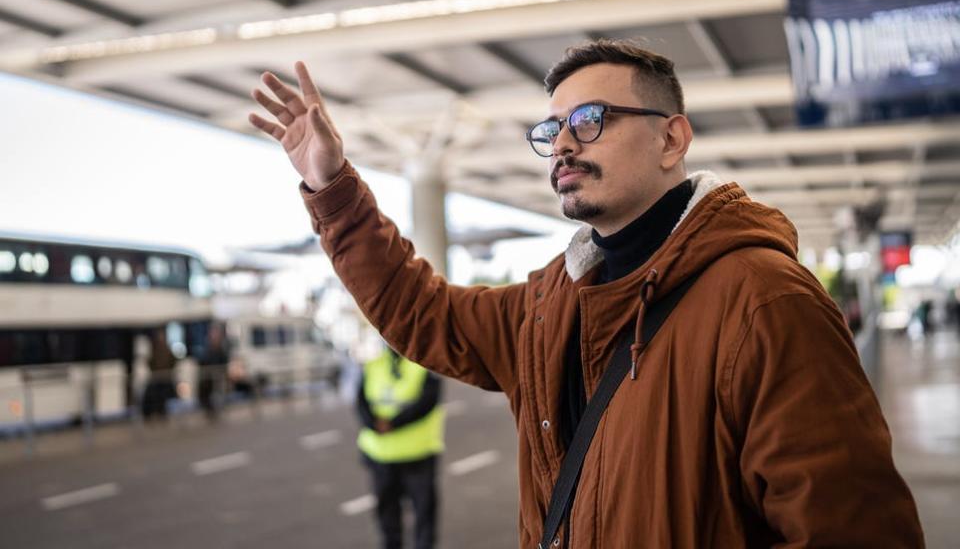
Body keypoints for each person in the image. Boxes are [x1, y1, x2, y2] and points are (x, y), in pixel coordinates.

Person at [249, 40, 924, 547]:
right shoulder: (550, 302)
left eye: (592, 118)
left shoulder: (765, 302)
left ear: (672, 136)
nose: (565, 143)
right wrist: (333, 189)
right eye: (554, 129)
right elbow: (421, 312)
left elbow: (850, 532)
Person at [356, 346, 444, 549]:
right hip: (380, 456)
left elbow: (427, 402)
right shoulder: (373, 365)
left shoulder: (425, 366)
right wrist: (374, 423)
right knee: (387, 517)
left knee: (423, 516)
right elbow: (360, 404)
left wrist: (391, 424)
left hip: (418, 456)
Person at [142, 328, 177, 420]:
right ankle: (150, 413)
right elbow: (150, 363)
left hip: (165, 378)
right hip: (157, 378)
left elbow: (173, 361)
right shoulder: (154, 350)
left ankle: (161, 412)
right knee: (151, 395)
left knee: (163, 395)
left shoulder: (168, 350)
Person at [197, 322, 229, 421]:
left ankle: (216, 412)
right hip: (208, 379)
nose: (214, 337)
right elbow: (202, 362)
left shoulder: (221, 350)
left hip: (217, 379)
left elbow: (224, 363)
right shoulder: (207, 350)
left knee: (216, 395)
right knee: (205, 393)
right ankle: (210, 412)